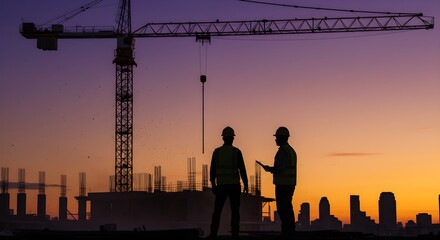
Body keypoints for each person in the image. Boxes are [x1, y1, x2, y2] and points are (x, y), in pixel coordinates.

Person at [207, 126, 249, 240]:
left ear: (223, 138)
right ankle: (235, 234)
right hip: (234, 186)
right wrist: (246, 184)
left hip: (221, 186)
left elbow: (212, 171)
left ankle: (213, 234)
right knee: (235, 211)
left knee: (217, 211)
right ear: (232, 138)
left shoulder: (217, 152)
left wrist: (214, 186)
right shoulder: (236, 152)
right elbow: (242, 169)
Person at [259, 126, 297, 239]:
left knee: (282, 209)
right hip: (290, 184)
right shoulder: (291, 150)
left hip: (283, 185)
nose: (275, 140)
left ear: (281, 138)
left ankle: (286, 232)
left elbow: (280, 168)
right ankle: (290, 230)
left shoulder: (282, 151)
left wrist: (269, 169)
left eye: (277, 137)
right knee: (288, 208)